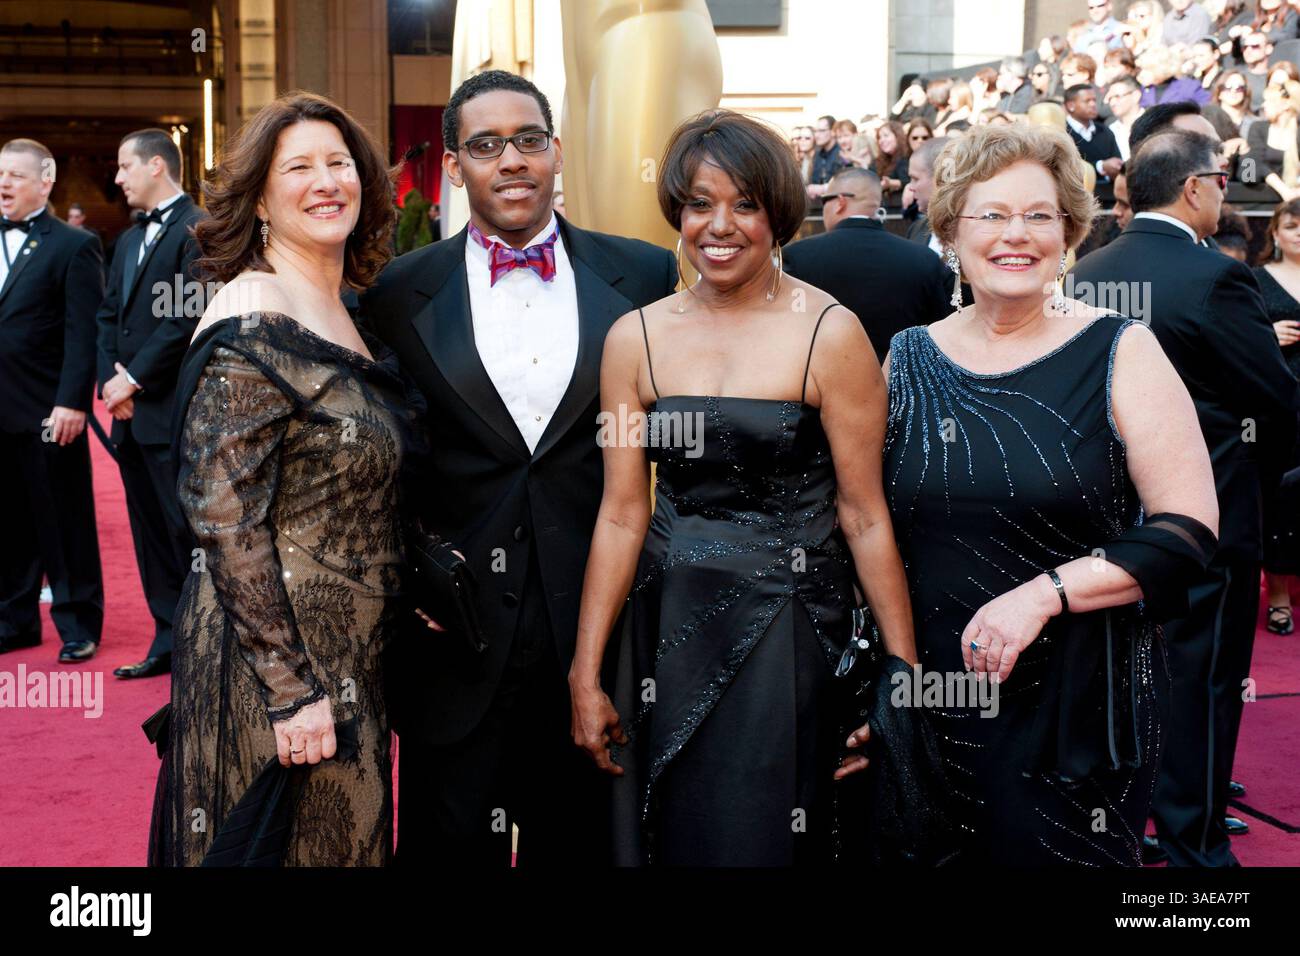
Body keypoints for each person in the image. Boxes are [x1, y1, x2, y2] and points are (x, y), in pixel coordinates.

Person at [568, 109, 917, 866]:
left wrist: (904, 671)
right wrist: (586, 670)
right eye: (700, 203)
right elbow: (623, 513)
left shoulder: (830, 333)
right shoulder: (636, 337)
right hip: (663, 625)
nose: (719, 226)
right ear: (678, 212)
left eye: (745, 204)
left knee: (760, 834)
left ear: (779, 213)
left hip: (787, 629)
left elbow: (863, 515)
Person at [362, 70, 676, 866]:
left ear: (557, 152)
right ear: (455, 163)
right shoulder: (401, 292)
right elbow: (382, 453)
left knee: (581, 849)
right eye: (486, 144)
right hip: (455, 637)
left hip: (596, 634)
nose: (512, 160)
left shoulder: (641, 274)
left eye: (529, 140)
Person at [886, 121, 1217, 866]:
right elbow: (866, 521)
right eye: (993, 215)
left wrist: (1043, 594)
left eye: (1040, 216)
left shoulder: (1121, 347)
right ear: (950, 230)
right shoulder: (906, 356)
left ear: (1069, 233)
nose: (1018, 234)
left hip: (1076, 709)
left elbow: (1189, 528)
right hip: (933, 698)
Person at [150, 91, 407, 866]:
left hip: (350, 653)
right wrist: (291, 691)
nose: (326, 181)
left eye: (339, 163)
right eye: (299, 167)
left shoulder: (346, 309)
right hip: (275, 664)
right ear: (260, 195)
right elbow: (223, 515)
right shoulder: (254, 307)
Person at [1073, 128, 1298, 867]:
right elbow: (1271, 397)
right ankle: (1193, 844)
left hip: (1101, 512)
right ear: (1196, 187)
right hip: (1204, 517)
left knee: (1115, 672)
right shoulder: (1214, 278)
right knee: (1201, 679)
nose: (1225, 193)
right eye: (1223, 179)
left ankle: (1117, 821)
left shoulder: (1085, 270)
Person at [96, 129, 204, 680]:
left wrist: (132, 381)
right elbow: (107, 315)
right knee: (148, 536)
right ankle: (166, 640)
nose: (118, 179)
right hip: (129, 416)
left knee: (184, 530)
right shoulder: (127, 240)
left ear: (156, 166)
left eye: (123, 167)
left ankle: (200, 645)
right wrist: (110, 383)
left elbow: (186, 316)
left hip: (170, 411)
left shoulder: (197, 229)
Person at [0, 139, 105, 662]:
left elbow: (82, 332)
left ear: (45, 182)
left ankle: (78, 625)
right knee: (8, 524)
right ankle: (14, 621)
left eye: (16, 175)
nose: (4, 184)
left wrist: (73, 401)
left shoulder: (73, 244)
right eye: (1, 174)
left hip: (48, 412)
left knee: (64, 523)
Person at [785, 167, 950, 361]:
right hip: (905, 386)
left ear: (840, 202)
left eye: (824, 200)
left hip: (824, 384)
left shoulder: (797, 256)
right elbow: (943, 330)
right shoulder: (925, 258)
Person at [1254, 197, 1300, 633]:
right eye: (1291, 225)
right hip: (1278, 403)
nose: (1299, 232)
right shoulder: (1255, 280)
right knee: (1278, 498)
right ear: (1275, 232)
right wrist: (1269, 337)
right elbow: (1237, 341)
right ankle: (1280, 596)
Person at [1244, 79, 1300, 199]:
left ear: (1286, 105)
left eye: (1268, 101)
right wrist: (1284, 190)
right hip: (1263, 199)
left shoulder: (1297, 132)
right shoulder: (1258, 128)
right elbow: (1251, 167)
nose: (1263, 105)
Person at [1065, 83, 1125, 179]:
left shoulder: (1105, 131)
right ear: (1071, 105)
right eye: (1087, 101)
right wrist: (1100, 166)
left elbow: (1118, 163)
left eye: (1094, 100)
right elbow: (1065, 168)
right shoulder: (1061, 133)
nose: (1093, 104)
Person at [1105, 75, 1146, 158]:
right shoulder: (1110, 130)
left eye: (1117, 96)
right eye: (1110, 98)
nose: (1112, 103)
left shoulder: (1154, 123)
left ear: (1136, 95)